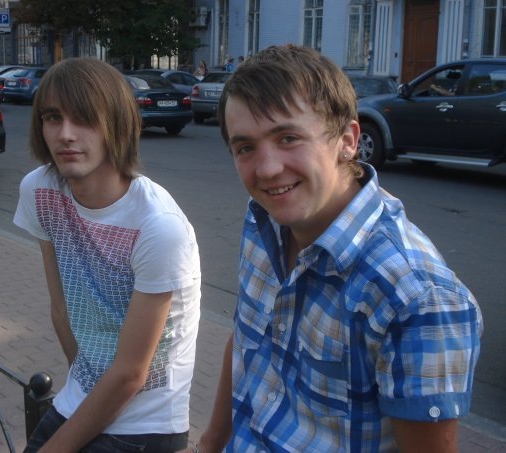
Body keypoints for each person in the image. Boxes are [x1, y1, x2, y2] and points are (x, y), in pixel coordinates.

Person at [187, 44, 483, 452]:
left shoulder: (417, 298)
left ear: (347, 140)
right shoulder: (264, 222)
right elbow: (244, 338)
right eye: (245, 148)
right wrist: (209, 444)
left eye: (288, 138)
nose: (267, 169)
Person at [13, 57, 201, 452]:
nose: (65, 134)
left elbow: (131, 374)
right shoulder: (40, 192)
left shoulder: (159, 226)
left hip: (147, 423)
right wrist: (82, 385)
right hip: (83, 395)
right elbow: (61, 307)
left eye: (83, 118)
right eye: (53, 117)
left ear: (116, 123)